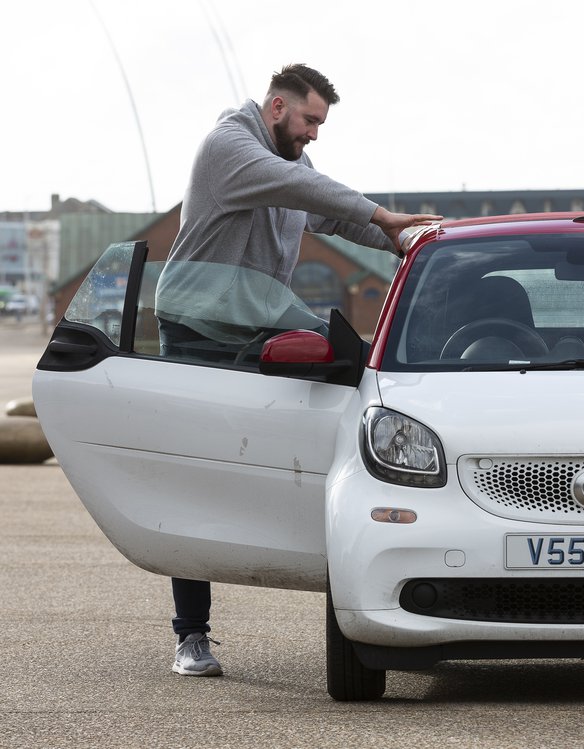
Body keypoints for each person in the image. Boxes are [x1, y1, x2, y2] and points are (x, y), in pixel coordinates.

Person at [156, 63, 441, 677]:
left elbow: (328, 213)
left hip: (257, 321)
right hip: (199, 325)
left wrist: (400, 237)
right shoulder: (229, 148)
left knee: (340, 394)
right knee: (194, 473)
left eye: (321, 123)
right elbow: (304, 189)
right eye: (311, 119)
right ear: (278, 106)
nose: (315, 133)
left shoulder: (290, 163)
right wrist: (378, 211)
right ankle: (191, 636)